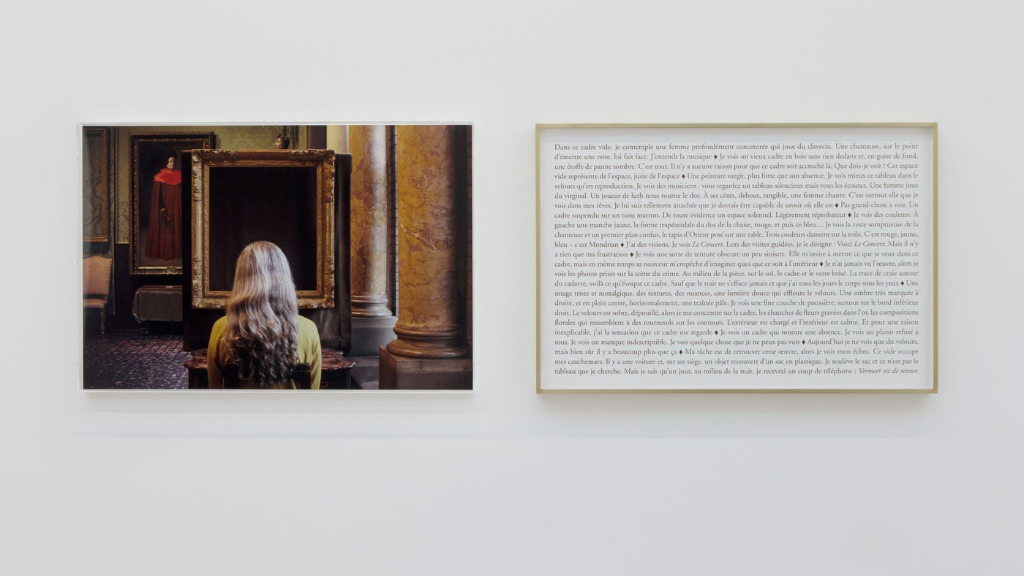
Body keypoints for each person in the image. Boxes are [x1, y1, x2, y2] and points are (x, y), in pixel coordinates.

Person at [207, 241, 322, 389]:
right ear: (285, 280)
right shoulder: (308, 329)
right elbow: (312, 394)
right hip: (292, 413)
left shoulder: (221, 328)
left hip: (237, 412)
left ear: (241, 280)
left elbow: (215, 392)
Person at [145, 154, 183, 260]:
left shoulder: (178, 174)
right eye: (170, 161)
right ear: (166, 163)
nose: (172, 163)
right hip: (166, 207)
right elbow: (159, 196)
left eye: (174, 161)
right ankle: (166, 254)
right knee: (166, 229)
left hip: (177, 207)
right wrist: (163, 209)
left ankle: (176, 253)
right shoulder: (160, 176)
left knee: (177, 228)